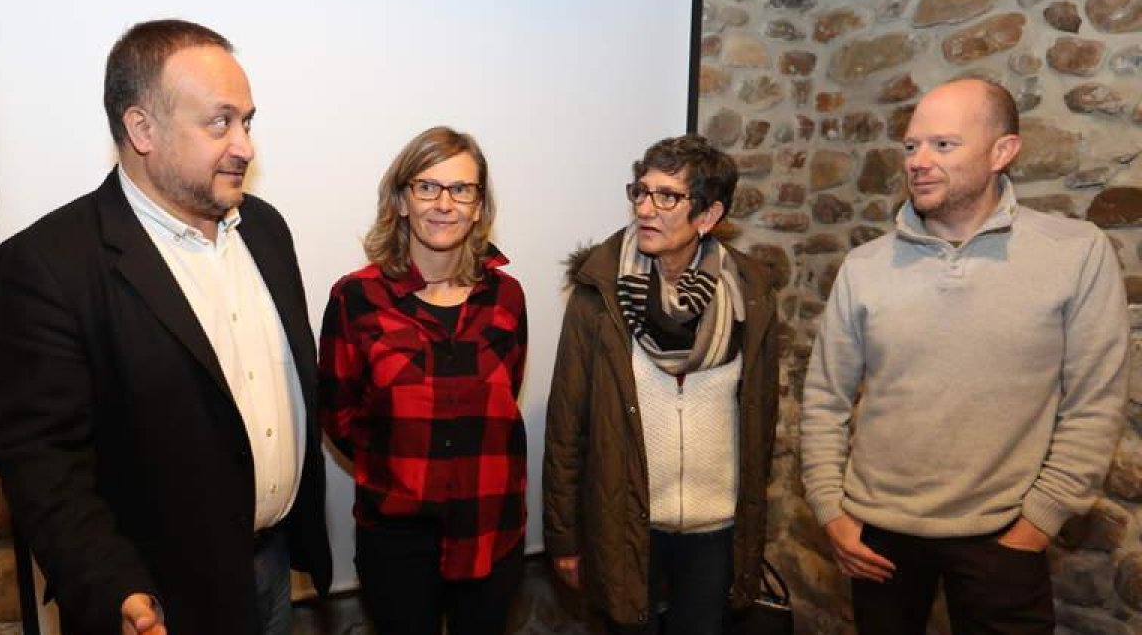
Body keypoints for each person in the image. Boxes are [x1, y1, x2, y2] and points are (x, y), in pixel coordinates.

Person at [0, 19, 331, 635]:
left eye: (247, 121)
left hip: (274, 573)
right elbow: (41, 463)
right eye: (219, 122)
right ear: (141, 128)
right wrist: (114, 590)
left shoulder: (268, 231)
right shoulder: (49, 264)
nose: (245, 146)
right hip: (159, 603)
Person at [800, 78, 1129, 633]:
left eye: (943, 145)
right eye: (911, 147)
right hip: (876, 537)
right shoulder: (865, 265)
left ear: (1003, 151)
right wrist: (831, 511)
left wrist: (1038, 522)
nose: (919, 162)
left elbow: (1096, 402)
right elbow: (823, 399)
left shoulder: (1074, 252)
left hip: (1003, 535)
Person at [543, 134, 781, 634]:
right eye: (641, 192)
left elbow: (760, 418)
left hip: (715, 530)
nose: (647, 209)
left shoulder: (750, 293)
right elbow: (567, 426)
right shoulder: (598, 293)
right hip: (625, 524)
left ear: (708, 215)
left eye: (667, 197)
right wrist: (564, 537)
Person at [317, 126, 527, 635]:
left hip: (490, 532)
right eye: (427, 186)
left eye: (462, 189)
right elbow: (340, 417)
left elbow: (502, 401)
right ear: (403, 200)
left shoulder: (507, 298)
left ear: (479, 206)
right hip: (396, 540)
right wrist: (401, 471)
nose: (444, 203)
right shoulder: (355, 298)